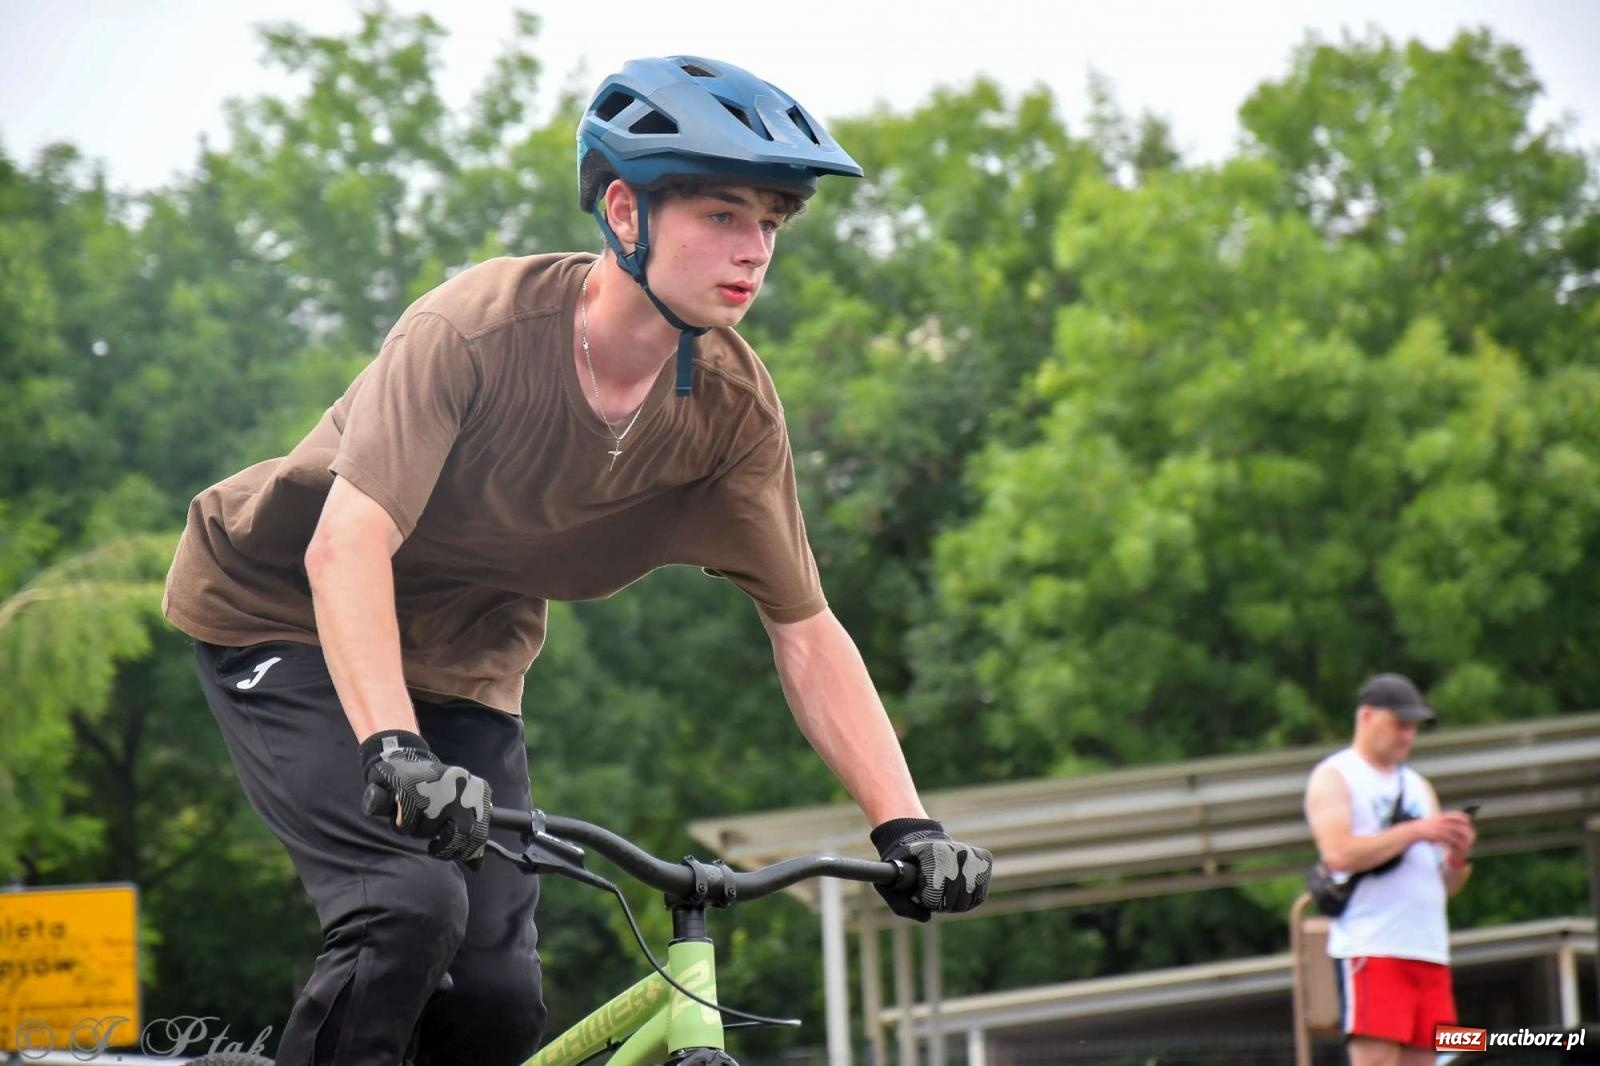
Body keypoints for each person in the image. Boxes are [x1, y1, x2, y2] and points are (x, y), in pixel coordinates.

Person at [162, 55, 992, 1066]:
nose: (755, 249)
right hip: (284, 617)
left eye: (770, 223)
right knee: (408, 907)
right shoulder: (472, 332)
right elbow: (348, 543)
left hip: (465, 660)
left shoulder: (727, 409)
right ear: (623, 210)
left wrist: (904, 826)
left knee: (498, 997)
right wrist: (391, 746)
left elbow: (804, 627)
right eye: (722, 216)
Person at [1302, 673, 1477, 1066]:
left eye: (1413, 727)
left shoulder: (1417, 785)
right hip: (1374, 947)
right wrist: (1416, 831)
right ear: (1366, 717)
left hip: (1428, 949)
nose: (1407, 736)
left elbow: (1446, 886)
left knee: (1426, 1059)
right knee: (1377, 1059)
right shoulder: (1336, 775)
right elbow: (1338, 853)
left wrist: (1457, 856)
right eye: (1399, 724)